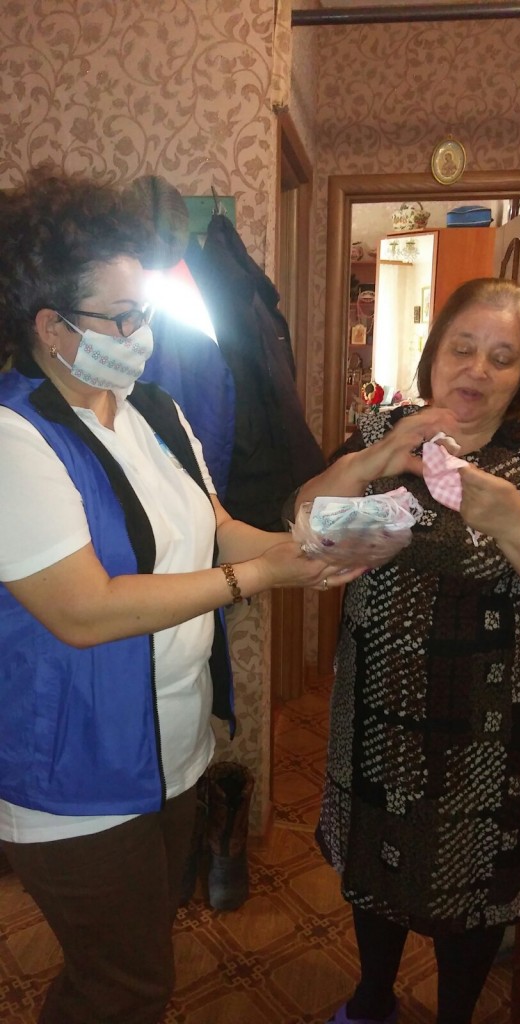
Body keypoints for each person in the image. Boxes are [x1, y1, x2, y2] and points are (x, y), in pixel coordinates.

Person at [0, 167, 361, 1024]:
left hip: (173, 744)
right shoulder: (15, 440)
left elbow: (216, 526)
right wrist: (258, 577)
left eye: (146, 312)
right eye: (122, 318)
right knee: (122, 986)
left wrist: (300, 551)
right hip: (78, 769)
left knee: (138, 956)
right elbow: (83, 609)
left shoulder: (151, 409)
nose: (143, 335)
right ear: (50, 326)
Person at [293, 278, 520, 1024]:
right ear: (434, 354)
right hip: (376, 705)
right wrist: (376, 458)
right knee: (375, 861)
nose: (477, 369)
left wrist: (514, 522)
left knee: (475, 885)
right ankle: (372, 997)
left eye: (502, 357)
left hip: (493, 728)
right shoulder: (383, 429)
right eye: (463, 348)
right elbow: (305, 524)